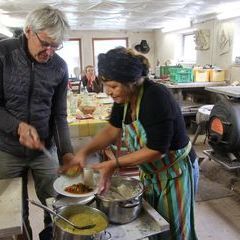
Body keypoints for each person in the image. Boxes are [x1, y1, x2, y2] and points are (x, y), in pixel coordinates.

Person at [62, 47, 199, 240]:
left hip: (175, 172)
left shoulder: (156, 97)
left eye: (113, 86)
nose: (108, 92)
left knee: (174, 231)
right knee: (155, 226)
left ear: (132, 82)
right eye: (105, 85)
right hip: (151, 172)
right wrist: (84, 152)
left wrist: (114, 163)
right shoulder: (124, 99)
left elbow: (157, 150)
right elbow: (112, 129)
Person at [0, 5, 74, 239]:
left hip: (45, 149)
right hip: (6, 150)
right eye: (45, 43)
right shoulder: (3, 55)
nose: (49, 51)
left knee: (57, 203)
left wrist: (67, 153)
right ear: (29, 31)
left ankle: (50, 233)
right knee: (11, 212)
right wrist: (17, 126)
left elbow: (59, 116)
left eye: (56, 46)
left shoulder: (60, 67)